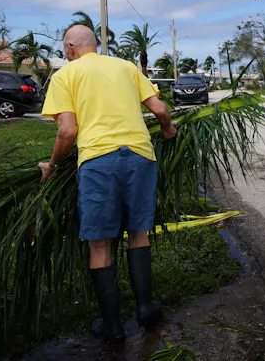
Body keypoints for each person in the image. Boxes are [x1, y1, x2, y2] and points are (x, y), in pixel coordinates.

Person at [39, 25, 177, 344]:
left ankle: (113, 326)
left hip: (99, 161)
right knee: (138, 232)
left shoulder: (66, 75)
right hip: (141, 156)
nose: (64, 52)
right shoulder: (126, 67)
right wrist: (168, 130)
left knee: (99, 244)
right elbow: (159, 109)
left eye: (64, 47)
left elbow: (67, 131)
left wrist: (53, 166)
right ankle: (145, 308)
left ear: (71, 46)